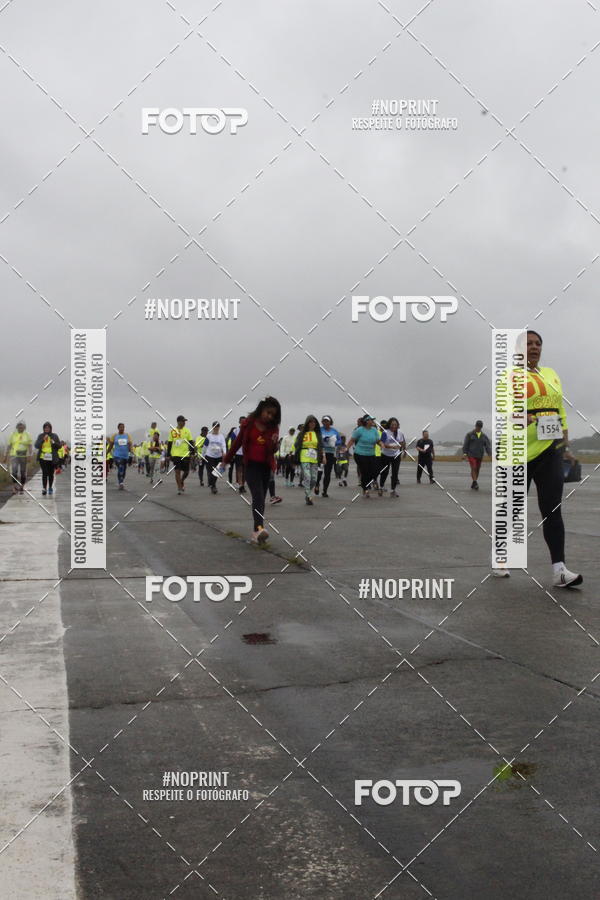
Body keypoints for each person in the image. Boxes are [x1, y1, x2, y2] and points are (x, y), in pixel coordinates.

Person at [494, 330, 581, 588]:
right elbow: (504, 411)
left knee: (552, 509)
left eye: (538, 343)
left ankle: (560, 570)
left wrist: (565, 445)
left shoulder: (551, 374)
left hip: (550, 450)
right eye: (528, 343)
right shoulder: (509, 377)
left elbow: (560, 411)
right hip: (517, 451)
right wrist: (527, 418)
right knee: (512, 509)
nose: (534, 347)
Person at [221, 396, 281, 543]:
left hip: (266, 467)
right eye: (268, 412)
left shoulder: (273, 428)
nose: (269, 416)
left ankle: (256, 532)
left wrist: (275, 444)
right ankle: (259, 528)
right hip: (251, 466)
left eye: (273, 415)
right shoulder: (248, 424)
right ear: (261, 409)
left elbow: (272, 450)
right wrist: (226, 460)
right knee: (258, 496)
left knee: (261, 500)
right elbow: (237, 443)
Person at [347, 415, 382, 497]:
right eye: (371, 420)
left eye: (373, 420)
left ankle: (368, 483)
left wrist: (382, 445)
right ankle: (365, 489)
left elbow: (378, 441)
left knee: (375, 470)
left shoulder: (374, 430)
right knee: (365, 471)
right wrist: (347, 448)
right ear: (366, 421)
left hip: (371, 454)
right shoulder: (359, 430)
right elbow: (352, 440)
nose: (372, 421)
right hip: (360, 454)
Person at [294, 415, 323, 505]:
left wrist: (323, 456)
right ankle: (309, 496)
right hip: (304, 455)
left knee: (314, 479)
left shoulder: (317, 434)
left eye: (314, 422)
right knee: (307, 476)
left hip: (314, 457)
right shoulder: (302, 434)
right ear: (307, 423)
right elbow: (296, 445)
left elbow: (321, 446)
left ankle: (307, 493)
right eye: (310, 422)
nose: (312, 424)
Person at [314, 416, 341, 498]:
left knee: (327, 473)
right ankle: (317, 484)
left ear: (330, 422)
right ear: (322, 422)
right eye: (324, 421)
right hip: (321, 452)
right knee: (319, 471)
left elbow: (339, 440)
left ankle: (325, 491)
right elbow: (315, 439)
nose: (326, 422)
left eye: (327, 421)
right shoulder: (319, 430)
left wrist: (333, 442)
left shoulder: (334, 431)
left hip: (330, 453)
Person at [167, 415, 194, 494]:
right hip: (175, 454)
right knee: (177, 471)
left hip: (185, 454)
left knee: (186, 472)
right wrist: (168, 455)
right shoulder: (173, 431)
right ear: (178, 422)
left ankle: (181, 481)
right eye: (183, 421)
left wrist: (192, 453)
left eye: (185, 421)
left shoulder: (187, 431)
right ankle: (179, 487)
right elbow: (169, 443)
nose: (184, 423)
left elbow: (191, 442)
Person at [462, 420, 491, 490]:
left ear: (481, 427)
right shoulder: (470, 434)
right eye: (478, 426)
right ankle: (475, 482)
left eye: (480, 427)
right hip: (471, 454)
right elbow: (466, 445)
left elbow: (487, 446)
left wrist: (490, 454)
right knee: (473, 467)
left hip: (480, 455)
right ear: (475, 426)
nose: (478, 428)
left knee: (477, 469)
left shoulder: (484, 436)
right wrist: (465, 454)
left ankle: (474, 482)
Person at [380, 417, 406, 497]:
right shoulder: (385, 432)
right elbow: (382, 444)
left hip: (396, 455)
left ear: (397, 425)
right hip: (385, 455)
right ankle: (381, 487)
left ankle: (393, 490)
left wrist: (403, 450)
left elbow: (402, 442)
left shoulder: (400, 433)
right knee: (385, 472)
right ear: (389, 425)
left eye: (395, 424)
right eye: (392, 424)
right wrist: (390, 447)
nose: (394, 426)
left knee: (395, 473)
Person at [34, 422, 61, 496]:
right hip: (43, 457)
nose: (47, 429)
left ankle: (50, 487)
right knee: (44, 473)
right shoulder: (41, 436)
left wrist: (54, 442)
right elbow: (36, 445)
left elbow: (59, 446)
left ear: (50, 428)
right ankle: (44, 488)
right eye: (45, 428)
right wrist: (43, 440)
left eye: (48, 428)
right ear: (43, 429)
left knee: (51, 473)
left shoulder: (54, 436)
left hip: (52, 457)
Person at [5, 421, 32, 494]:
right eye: (19, 426)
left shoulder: (27, 434)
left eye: (22, 426)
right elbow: (9, 445)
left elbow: (30, 445)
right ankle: (14, 487)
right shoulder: (13, 434)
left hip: (24, 456)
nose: (21, 427)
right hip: (14, 456)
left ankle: (22, 486)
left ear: (24, 427)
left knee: (23, 472)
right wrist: (6, 455)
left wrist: (30, 455)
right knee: (14, 472)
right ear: (17, 427)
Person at [204, 422, 227, 494]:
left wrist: (224, 453)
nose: (216, 428)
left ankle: (213, 485)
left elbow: (223, 445)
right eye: (215, 427)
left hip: (219, 456)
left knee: (217, 472)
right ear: (213, 427)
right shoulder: (209, 436)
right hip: (209, 456)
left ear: (219, 427)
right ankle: (213, 486)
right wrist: (202, 455)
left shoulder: (221, 436)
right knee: (211, 472)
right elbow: (205, 446)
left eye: (217, 426)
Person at [108, 423, 132, 490]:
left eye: (123, 427)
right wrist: (106, 452)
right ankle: (121, 483)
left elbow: (130, 444)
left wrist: (131, 453)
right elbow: (111, 445)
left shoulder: (127, 435)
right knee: (121, 466)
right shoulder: (115, 436)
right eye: (121, 427)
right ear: (118, 428)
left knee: (123, 469)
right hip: (117, 455)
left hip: (125, 455)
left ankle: (121, 480)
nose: (122, 428)